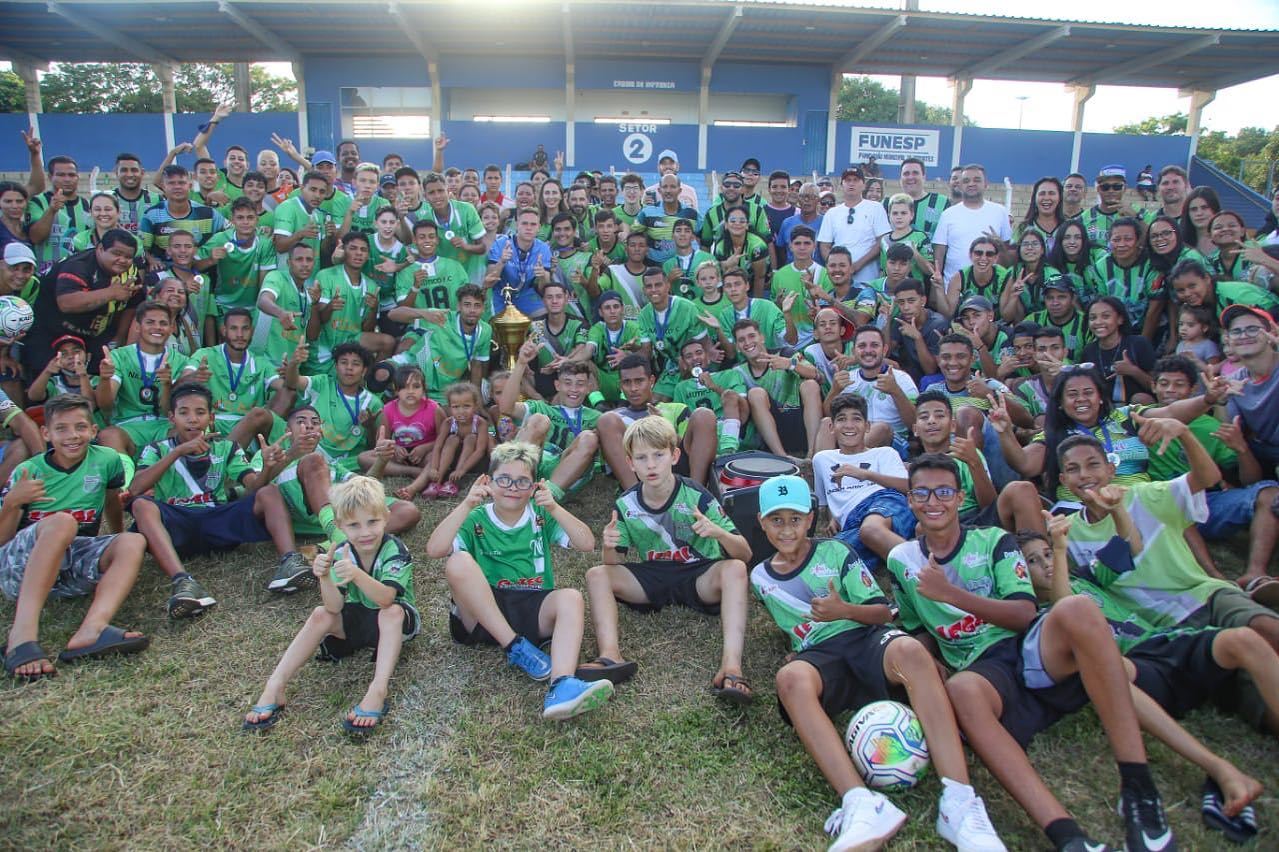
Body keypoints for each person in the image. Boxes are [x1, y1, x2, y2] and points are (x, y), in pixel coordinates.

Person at [889, 453, 1176, 852]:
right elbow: (917, 625)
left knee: (1076, 607)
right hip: (981, 670)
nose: (932, 501)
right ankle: (1068, 837)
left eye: (943, 491)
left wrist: (951, 594)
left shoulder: (992, 540)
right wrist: (930, 661)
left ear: (959, 497)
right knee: (962, 690)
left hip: (1029, 647)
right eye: (921, 492)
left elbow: (1024, 614)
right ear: (909, 500)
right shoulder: (900, 559)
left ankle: (1139, 788)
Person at [752, 474, 1007, 852]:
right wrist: (796, 648)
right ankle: (861, 803)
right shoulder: (759, 576)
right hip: (821, 659)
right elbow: (794, 628)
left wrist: (842, 610)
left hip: (863, 637)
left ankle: (959, 801)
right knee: (789, 678)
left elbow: (880, 613)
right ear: (761, 523)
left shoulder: (836, 553)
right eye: (777, 520)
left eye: (795, 519)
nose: (787, 529)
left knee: (909, 651)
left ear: (811, 519)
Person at [426, 441, 614, 720]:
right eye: (504, 479)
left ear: (535, 486)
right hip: (483, 612)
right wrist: (465, 504)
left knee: (571, 597)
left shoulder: (540, 515)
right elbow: (434, 550)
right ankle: (514, 646)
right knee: (458, 562)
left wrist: (554, 508)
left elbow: (586, 544)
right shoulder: (476, 516)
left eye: (522, 481)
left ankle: (561, 684)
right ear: (488, 481)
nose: (512, 487)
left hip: (531, 605)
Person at [1056, 419, 1279, 653]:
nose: (1084, 475)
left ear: (1111, 470)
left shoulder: (1146, 495)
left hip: (1206, 596)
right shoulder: (1067, 533)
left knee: (1266, 628)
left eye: (1093, 465)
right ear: (1063, 480)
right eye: (1073, 469)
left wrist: (1184, 433)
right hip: (1161, 629)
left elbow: (1207, 478)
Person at [584, 417, 752, 701]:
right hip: (654, 576)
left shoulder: (696, 495)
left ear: (674, 456)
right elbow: (613, 565)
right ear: (630, 463)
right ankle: (610, 656)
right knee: (597, 574)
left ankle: (732, 666)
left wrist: (718, 533)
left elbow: (745, 554)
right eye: (641, 457)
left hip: (698, 574)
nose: (650, 465)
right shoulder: (626, 503)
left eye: (658, 455)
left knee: (735, 569)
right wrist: (608, 546)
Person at [242, 476, 419, 734]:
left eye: (372, 521)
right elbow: (334, 607)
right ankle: (275, 685)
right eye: (354, 525)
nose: (365, 532)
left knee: (390, 612)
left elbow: (386, 598)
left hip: (397, 624)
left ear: (386, 516)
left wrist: (356, 574)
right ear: (340, 526)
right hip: (359, 619)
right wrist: (324, 576)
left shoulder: (394, 549)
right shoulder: (340, 552)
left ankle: (377, 690)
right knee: (319, 615)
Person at [0, 395, 148, 680]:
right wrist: (12, 504)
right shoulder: (28, 471)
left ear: (93, 431)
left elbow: (111, 501)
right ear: (46, 434)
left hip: (70, 569)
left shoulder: (106, 460)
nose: (72, 436)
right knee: (62, 523)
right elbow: (3, 542)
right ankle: (21, 637)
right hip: (21, 570)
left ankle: (92, 629)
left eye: (80, 427)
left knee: (133, 541)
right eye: (62, 429)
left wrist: (116, 538)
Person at [127, 383, 301, 619]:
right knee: (141, 505)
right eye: (184, 413)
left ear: (211, 417)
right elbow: (136, 488)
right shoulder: (156, 449)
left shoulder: (227, 447)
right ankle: (183, 582)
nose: (192, 420)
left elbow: (253, 488)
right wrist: (178, 452)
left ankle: (290, 562)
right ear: (171, 418)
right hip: (178, 524)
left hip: (216, 520)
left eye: (200, 413)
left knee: (269, 492)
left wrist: (268, 469)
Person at [1146, 356, 1279, 591]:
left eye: (1179, 384)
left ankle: (1254, 573)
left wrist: (1241, 449)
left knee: (1269, 492)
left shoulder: (1211, 427)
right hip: (1163, 506)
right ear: (1153, 386)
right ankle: (1217, 580)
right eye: (1164, 383)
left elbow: (1251, 481)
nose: (1170, 390)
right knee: (1172, 503)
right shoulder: (1141, 420)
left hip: (1209, 502)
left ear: (1193, 389)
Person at [21, 229, 148, 379]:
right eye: (116, 254)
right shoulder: (78, 265)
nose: (122, 260)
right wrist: (110, 293)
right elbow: (66, 303)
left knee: (103, 376)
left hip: (93, 336)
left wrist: (119, 337)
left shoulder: (130, 273)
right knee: (45, 383)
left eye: (128, 257)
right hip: (52, 333)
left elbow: (133, 305)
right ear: (100, 249)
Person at [814, 394, 914, 570]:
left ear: (867, 426)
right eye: (842, 419)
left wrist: (866, 474)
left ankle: (923, 571)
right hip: (851, 522)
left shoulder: (884, 453)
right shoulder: (822, 459)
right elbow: (829, 498)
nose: (849, 425)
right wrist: (833, 518)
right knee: (829, 558)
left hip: (885, 500)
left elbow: (909, 487)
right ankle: (895, 558)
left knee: (870, 530)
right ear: (832, 427)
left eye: (857, 419)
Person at [95, 301, 186, 459]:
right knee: (108, 435)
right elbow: (105, 405)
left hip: (165, 424)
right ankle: (127, 481)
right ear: (137, 326)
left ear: (171, 328)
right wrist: (104, 379)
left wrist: (166, 384)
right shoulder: (119, 356)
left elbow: (169, 411)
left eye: (163, 323)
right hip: (128, 426)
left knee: (187, 432)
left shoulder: (181, 361)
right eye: (150, 322)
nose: (157, 327)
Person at [398, 381, 490, 500]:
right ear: (450, 407)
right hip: (450, 459)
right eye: (456, 407)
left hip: (469, 461)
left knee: (471, 438)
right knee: (452, 438)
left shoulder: (480, 423)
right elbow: (438, 446)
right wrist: (434, 468)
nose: (461, 411)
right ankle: (437, 481)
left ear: (475, 406)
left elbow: (480, 451)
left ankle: (453, 482)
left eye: (466, 406)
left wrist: (462, 470)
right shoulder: (448, 423)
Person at [1221, 305, 1279, 478]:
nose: (1244, 336)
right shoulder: (1234, 382)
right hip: (1266, 451)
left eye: (1252, 329)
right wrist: (1220, 399)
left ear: (1271, 335)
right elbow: (1232, 432)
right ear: (1228, 340)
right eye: (1236, 332)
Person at [932, 164, 1012, 284]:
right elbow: (939, 253)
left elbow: (1008, 251)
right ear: (961, 185)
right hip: (954, 287)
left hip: (991, 288)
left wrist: (999, 245)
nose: (971, 184)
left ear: (986, 184)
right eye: (966, 181)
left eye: (977, 180)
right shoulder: (948, 214)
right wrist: (936, 287)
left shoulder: (1000, 212)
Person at [816, 166, 890, 287]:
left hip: (868, 278)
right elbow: (824, 246)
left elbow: (882, 241)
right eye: (848, 180)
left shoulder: (875, 208)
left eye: (856, 180)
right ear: (841, 185)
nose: (851, 183)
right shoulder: (832, 213)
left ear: (863, 185)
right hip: (839, 280)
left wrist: (857, 265)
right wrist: (837, 267)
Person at [141, 165, 228, 264]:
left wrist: (209, 251)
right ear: (163, 186)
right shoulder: (151, 215)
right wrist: (151, 260)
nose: (177, 187)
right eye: (171, 183)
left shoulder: (208, 213)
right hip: (165, 274)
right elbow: (143, 249)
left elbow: (232, 232)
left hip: (202, 274)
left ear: (190, 186)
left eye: (181, 183)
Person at [1080, 296, 1156, 405]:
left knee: (1140, 398)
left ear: (1120, 319)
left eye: (1105, 316)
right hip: (1105, 409)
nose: (1098, 322)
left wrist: (1133, 371)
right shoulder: (1088, 351)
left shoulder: (1139, 343)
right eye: (1093, 318)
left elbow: (1156, 386)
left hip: (1137, 409)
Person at [485, 207, 553, 317]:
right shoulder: (501, 243)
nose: (529, 228)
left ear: (539, 227)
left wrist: (543, 276)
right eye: (524, 223)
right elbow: (489, 281)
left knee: (543, 318)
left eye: (533, 224)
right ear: (517, 225)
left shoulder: (543, 248)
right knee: (499, 324)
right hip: (501, 294)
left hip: (525, 294)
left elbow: (544, 288)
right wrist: (502, 261)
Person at [27, 155, 91, 273]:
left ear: (78, 177)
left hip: (76, 276)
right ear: (50, 177)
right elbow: (35, 237)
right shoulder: (38, 202)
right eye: (61, 175)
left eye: (71, 175)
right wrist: (51, 210)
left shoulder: (86, 205)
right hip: (44, 275)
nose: (67, 179)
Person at [633, 174, 700, 266]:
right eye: (665, 187)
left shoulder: (691, 214)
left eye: (672, 187)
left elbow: (704, 241)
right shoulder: (647, 212)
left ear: (679, 190)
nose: (668, 190)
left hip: (680, 267)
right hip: (652, 267)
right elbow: (633, 236)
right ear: (659, 190)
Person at [1079, 165, 1148, 248]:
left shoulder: (1141, 213)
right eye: (1105, 187)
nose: (1111, 191)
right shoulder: (1083, 219)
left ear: (1125, 188)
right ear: (1098, 189)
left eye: (1117, 187)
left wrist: (1136, 218)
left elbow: (1151, 242)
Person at [893, 157, 949, 243]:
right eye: (906, 173)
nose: (910, 177)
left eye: (915, 173)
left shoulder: (942, 202)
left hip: (930, 256)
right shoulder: (888, 203)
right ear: (900, 178)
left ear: (924, 177)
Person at [775, 181, 824, 266]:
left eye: (811, 197)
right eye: (803, 196)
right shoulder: (787, 223)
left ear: (818, 200)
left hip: (818, 274)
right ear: (798, 199)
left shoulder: (825, 223)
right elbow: (781, 251)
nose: (806, 200)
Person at [1014, 176, 1064, 254]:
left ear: (1060, 197)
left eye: (1051, 193)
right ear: (1035, 198)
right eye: (1042, 193)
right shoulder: (1023, 228)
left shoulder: (1067, 227)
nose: (1046, 198)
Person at [1180, 186, 1221, 257]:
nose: (1199, 213)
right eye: (1194, 209)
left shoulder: (1228, 241)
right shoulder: (1180, 244)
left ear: (1214, 209)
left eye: (1204, 208)